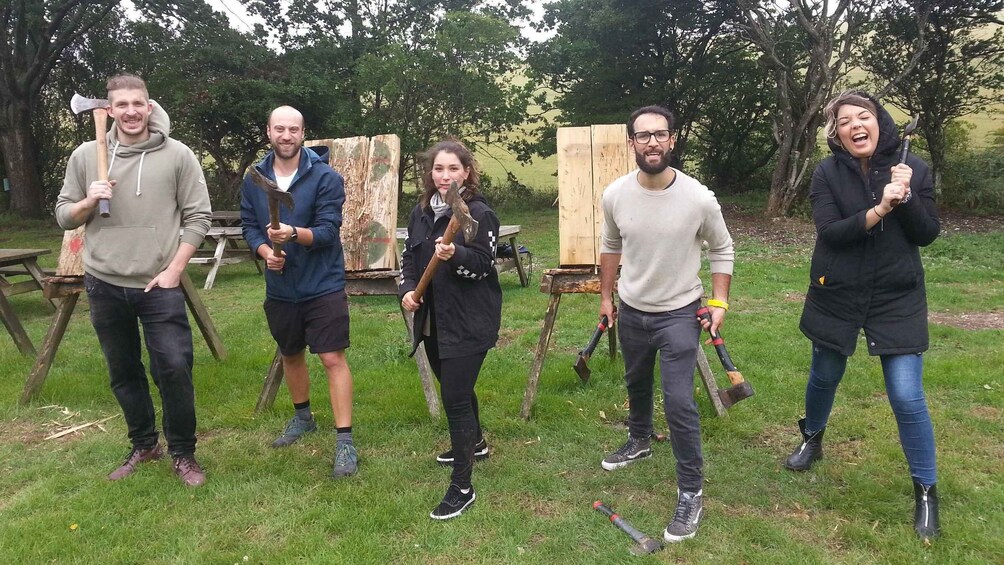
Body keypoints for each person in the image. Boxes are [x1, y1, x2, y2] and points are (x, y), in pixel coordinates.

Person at [784, 91, 941, 541]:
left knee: (907, 395)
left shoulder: (914, 168)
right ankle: (812, 438)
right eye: (844, 121)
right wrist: (880, 208)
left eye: (863, 116)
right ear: (836, 134)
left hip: (897, 295)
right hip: (837, 289)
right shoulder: (827, 173)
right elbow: (831, 233)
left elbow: (927, 233)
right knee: (825, 373)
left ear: (879, 122)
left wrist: (906, 196)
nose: (855, 125)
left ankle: (927, 492)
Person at [54, 74, 212, 487]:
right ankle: (144, 444)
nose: (129, 111)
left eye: (136, 103)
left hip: (158, 281)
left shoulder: (179, 155)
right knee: (123, 369)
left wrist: (175, 270)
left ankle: (183, 452)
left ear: (149, 105)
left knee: (174, 368)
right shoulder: (87, 156)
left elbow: (198, 217)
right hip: (103, 281)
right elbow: (64, 215)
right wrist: (90, 199)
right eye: (120, 104)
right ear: (108, 109)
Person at [597, 105, 734, 543]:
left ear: (672, 140)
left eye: (660, 134)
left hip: (679, 312)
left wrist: (719, 301)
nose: (652, 142)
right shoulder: (615, 194)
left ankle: (691, 492)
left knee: (678, 401)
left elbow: (723, 247)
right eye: (643, 135)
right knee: (636, 381)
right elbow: (611, 245)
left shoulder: (698, 197)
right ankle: (638, 439)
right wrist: (605, 296)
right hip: (633, 308)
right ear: (631, 143)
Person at [240, 106, 357, 478]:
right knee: (291, 353)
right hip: (281, 288)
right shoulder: (255, 178)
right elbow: (249, 225)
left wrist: (293, 234)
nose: (286, 135)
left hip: (322, 284)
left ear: (303, 133)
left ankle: (344, 441)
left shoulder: (325, 178)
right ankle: (303, 418)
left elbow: (327, 232)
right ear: (268, 131)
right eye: (279, 129)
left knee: (331, 359)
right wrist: (265, 252)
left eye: (293, 129)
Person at [400, 140, 502, 520]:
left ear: (467, 172)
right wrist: (407, 290)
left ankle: (462, 487)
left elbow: (482, 266)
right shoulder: (422, 212)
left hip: (469, 320)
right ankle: (475, 442)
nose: (445, 176)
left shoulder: (480, 213)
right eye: (439, 169)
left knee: (456, 398)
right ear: (431, 173)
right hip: (433, 320)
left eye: (453, 169)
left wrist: (455, 253)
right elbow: (409, 257)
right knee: (455, 388)